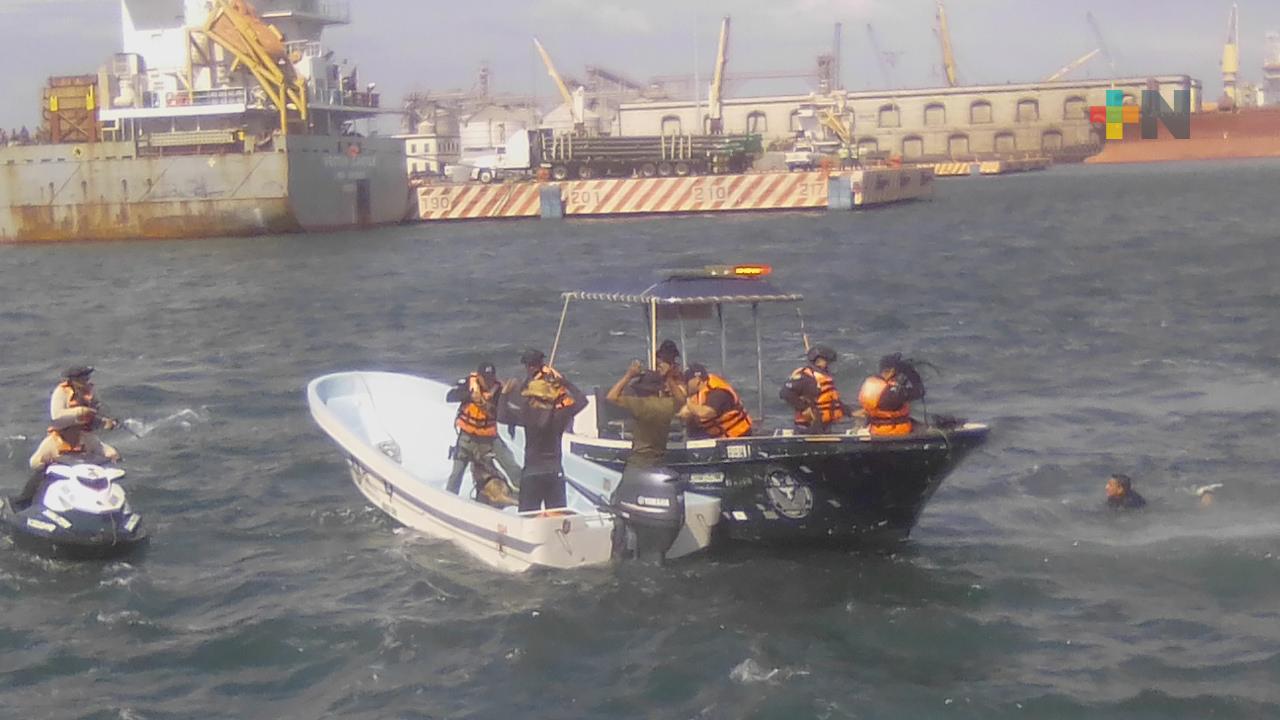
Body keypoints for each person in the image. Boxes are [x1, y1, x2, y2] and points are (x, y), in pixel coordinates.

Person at [498, 367, 586, 513]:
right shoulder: (560, 415)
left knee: (528, 516)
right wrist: (565, 383)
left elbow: (501, 415)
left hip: (532, 472)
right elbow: (582, 401)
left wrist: (504, 394)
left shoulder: (526, 415)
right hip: (554, 472)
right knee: (557, 517)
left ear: (532, 398)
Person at [10, 415, 120, 511]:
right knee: (38, 478)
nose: (76, 431)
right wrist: (43, 463)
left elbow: (104, 449)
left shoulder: (88, 438)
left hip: (85, 473)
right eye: (72, 429)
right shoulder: (51, 442)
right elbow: (34, 461)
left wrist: (113, 454)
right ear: (63, 430)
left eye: (77, 428)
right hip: (61, 475)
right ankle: (24, 504)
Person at [445, 362, 521, 501]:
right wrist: (469, 396)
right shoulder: (469, 383)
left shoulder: (499, 391)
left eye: (491, 377)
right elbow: (450, 397)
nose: (488, 381)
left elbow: (506, 412)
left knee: (511, 465)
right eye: (485, 378)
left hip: (489, 438)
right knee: (457, 473)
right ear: (479, 377)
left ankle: (525, 497)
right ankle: (448, 500)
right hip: (467, 438)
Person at [606, 359, 686, 470]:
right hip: (660, 458)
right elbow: (681, 399)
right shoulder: (667, 405)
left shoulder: (639, 404)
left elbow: (611, 397)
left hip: (640, 459)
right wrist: (669, 378)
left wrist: (628, 375)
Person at [780, 344, 850, 434]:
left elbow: (833, 402)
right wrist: (804, 408)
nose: (829, 365)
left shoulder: (825, 378)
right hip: (807, 427)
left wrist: (850, 412)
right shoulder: (806, 377)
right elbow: (785, 393)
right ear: (818, 361)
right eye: (827, 362)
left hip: (823, 426)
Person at [857, 353, 926, 437]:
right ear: (892, 371)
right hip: (894, 433)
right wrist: (911, 374)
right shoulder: (893, 394)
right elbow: (919, 391)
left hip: (876, 430)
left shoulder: (871, 385)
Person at [678, 363, 752, 439]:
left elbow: (706, 412)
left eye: (687, 380)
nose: (685, 384)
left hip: (739, 436)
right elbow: (684, 413)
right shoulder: (697, 392)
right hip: (718, 438)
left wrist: (688, 402)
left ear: (698, 380)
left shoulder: (717, 392)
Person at [50, 365, 118, 432]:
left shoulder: (90, 390)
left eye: (87, 377)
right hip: (65, 433)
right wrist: (81, 411)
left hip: (83, 432)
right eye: (82, 377)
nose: (87, 380)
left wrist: (105, 422)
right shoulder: (62, 392)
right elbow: (56, 416)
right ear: (72, 380)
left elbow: (96, 411)